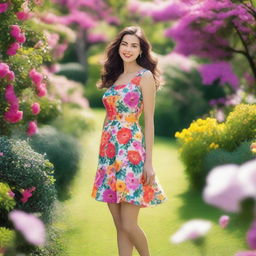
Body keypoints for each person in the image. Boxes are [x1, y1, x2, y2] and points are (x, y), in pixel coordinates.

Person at [91, 25, 168, 256]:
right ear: (119, 46)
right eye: (125, 44)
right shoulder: (115, 76)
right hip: (108, 155)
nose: (128, 49)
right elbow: (108, 117)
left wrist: (149, 162)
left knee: (128, 224)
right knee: (119, 225)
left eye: (134, 45)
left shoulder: (144, 77)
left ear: (141, 50)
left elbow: (149, 122)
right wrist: (103, 157)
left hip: (130, 153)